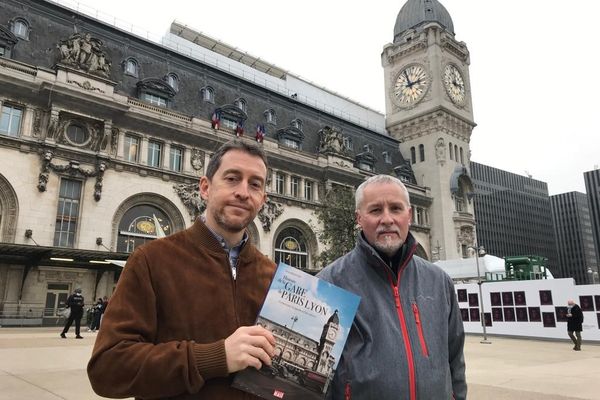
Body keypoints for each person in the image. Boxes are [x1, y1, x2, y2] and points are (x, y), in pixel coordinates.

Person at [88, 140, 277, 399]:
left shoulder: (273, 276)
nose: (243, 192)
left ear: (263, 199)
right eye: (232, 178)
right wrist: (216, 357)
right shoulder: (151, 261)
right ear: (205, 188)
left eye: (255, 184)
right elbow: (107, 368)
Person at [317, 174, 467, 400]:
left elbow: (455, 359)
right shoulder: (329, 283)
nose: (387, 219)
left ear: (409, 215)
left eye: (395, 209)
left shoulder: (439, 281)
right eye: (375, 210)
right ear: (359, 218)